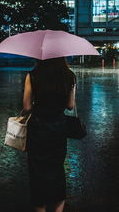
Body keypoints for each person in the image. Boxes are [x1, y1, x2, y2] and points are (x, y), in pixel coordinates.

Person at [23, 57, 76, 212]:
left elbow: (26, 107)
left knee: (38, 172)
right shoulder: (69, 76)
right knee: (58, 170)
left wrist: (39, 104)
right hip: (59, 128)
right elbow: (70, 105)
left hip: (38, 128)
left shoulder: (33, 75)